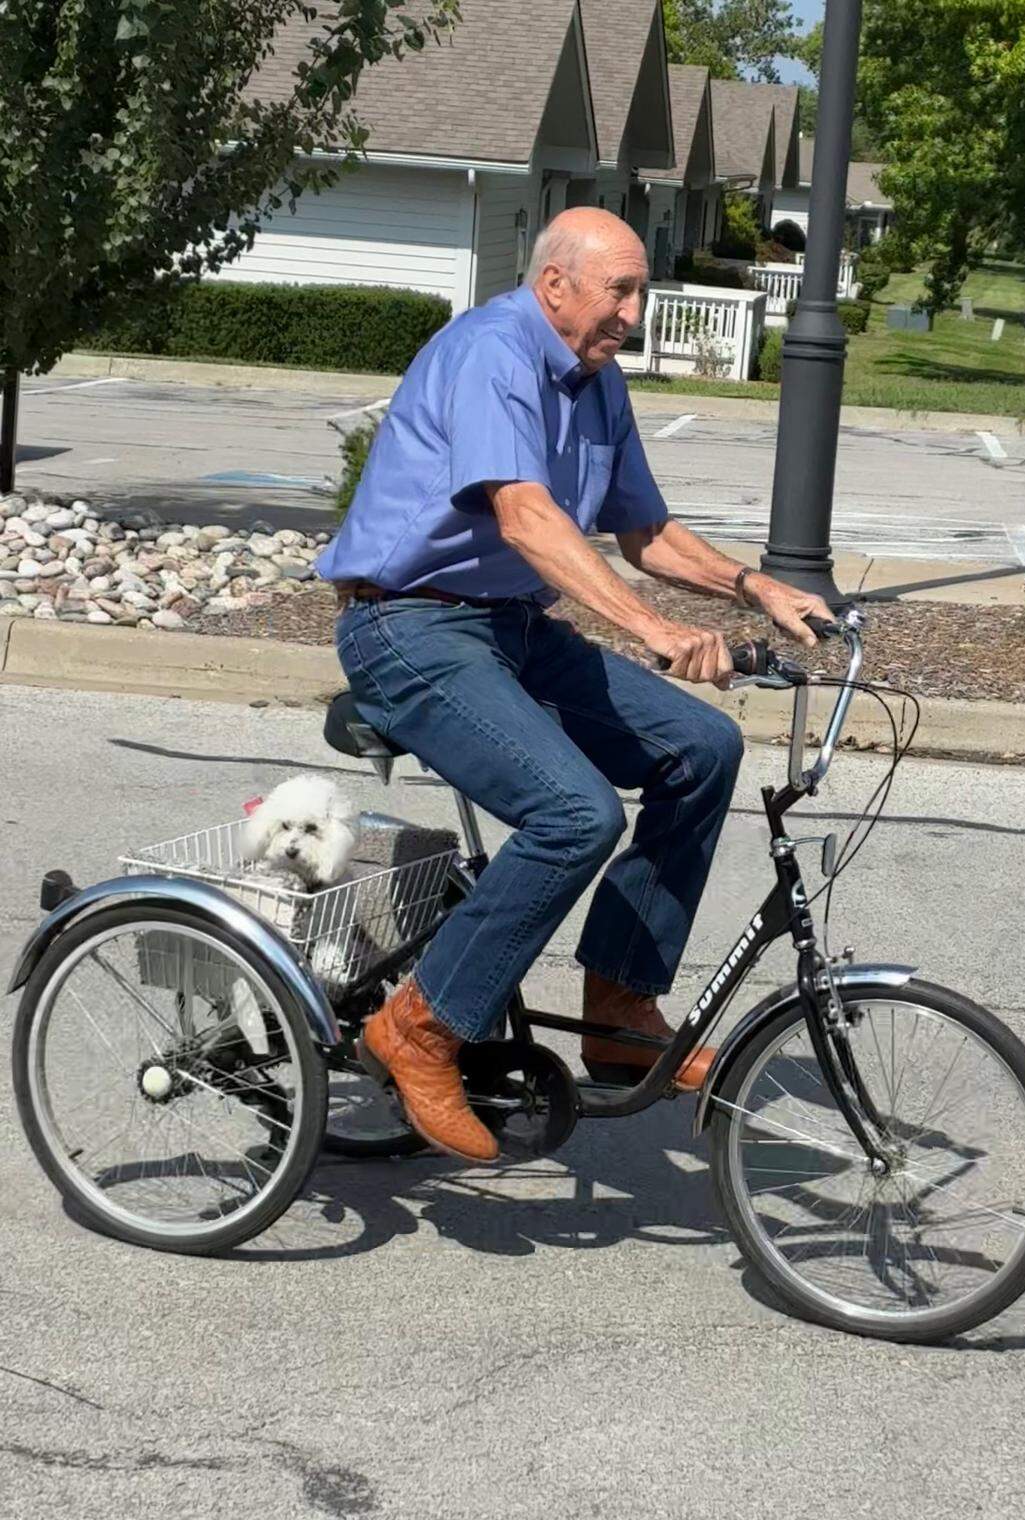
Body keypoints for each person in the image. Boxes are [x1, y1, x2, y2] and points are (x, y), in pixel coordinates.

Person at [318, 207, 832, 1163]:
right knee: (574, 813)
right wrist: (653, 629)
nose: (633, 314)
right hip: (406, 625)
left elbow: (646, 532)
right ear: (554, 284)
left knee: (702, 748)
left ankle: (617, 1007)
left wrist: (752, 587)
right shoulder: (492, 354)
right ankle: (419, 1028)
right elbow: (524, 516)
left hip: (510, 627)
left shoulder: (599, 382)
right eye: (620, 292)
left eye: (639, 293)